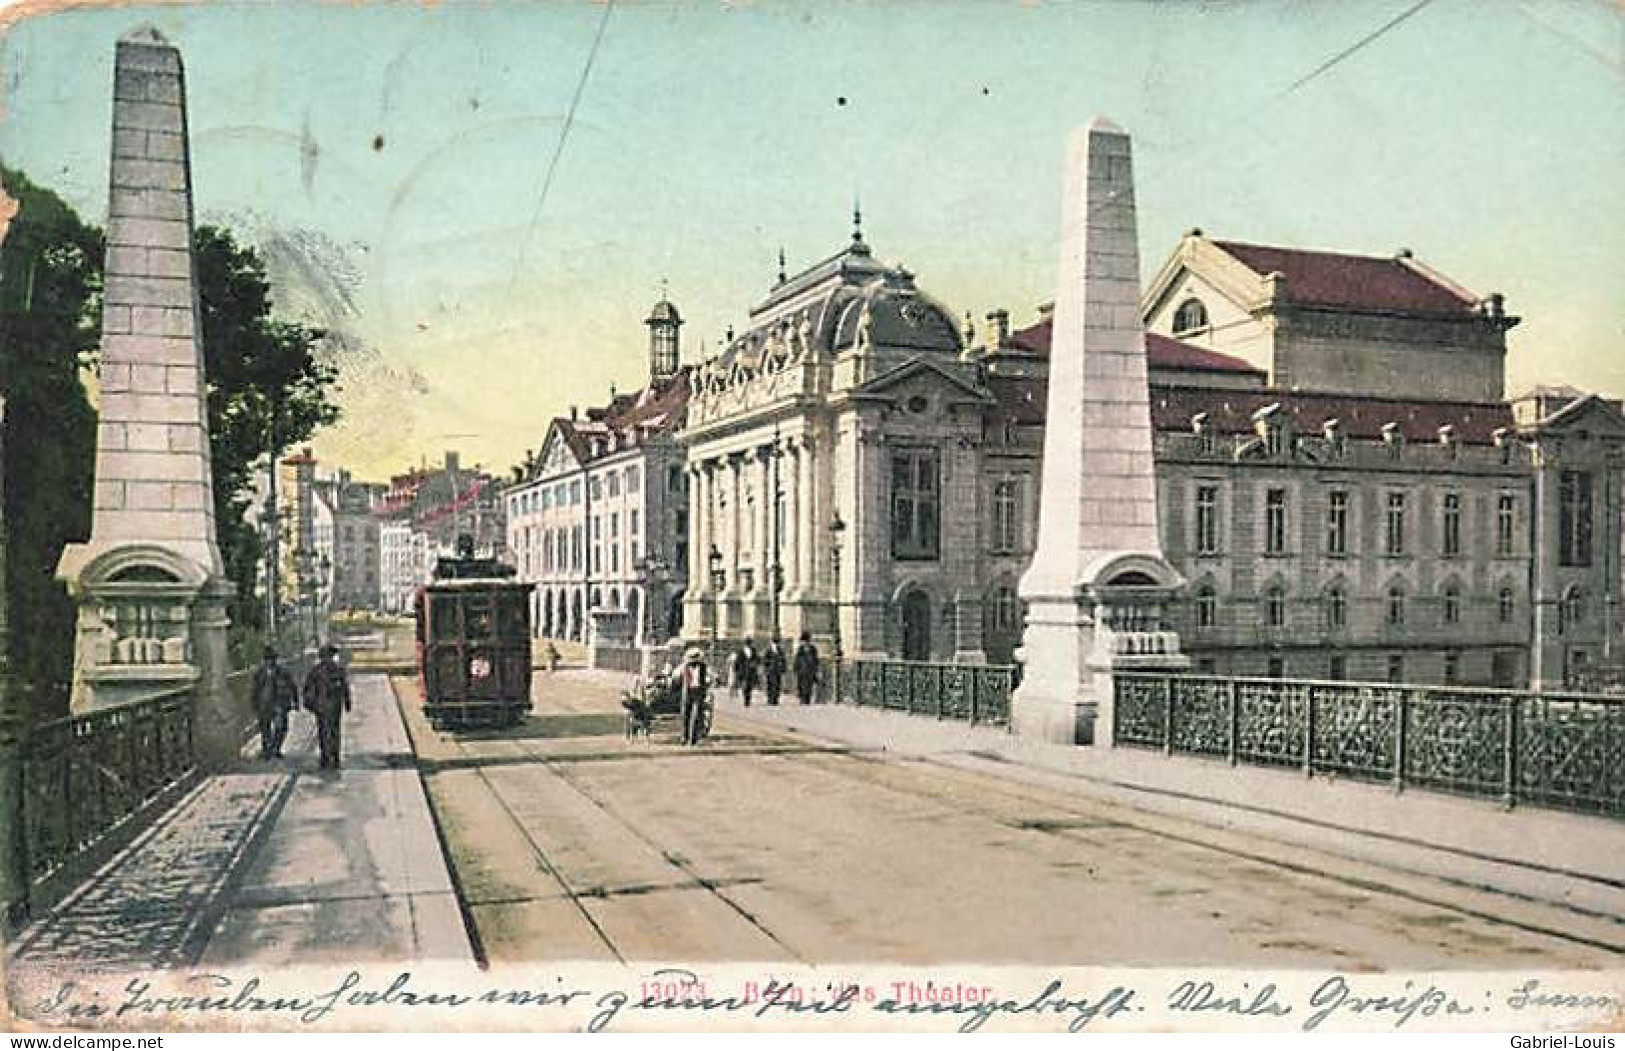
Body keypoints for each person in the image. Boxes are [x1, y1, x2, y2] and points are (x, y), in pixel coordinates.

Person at [303, 643, 353, 770]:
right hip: (323, 706)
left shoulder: (336, 670)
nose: (328, 659)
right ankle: (327, 757)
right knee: (327, 732)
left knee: (331, 731)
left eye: (330, 657)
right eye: (327, 657)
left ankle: (332, 757)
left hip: (332, 706)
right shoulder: (317, 671)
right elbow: (308, 689)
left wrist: (347, 701)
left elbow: (344, 687)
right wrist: (310, 703)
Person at [251, 646, 298, 759]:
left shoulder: (282, 671)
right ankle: (268, 750)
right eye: (268, 659)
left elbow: (292, 686)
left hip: (278, 704)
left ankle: (275, 749)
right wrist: (254, 704)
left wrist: (295, 701)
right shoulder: (259, 673)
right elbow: (255, 689)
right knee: (265, 729)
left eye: (271, 659)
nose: (269, 661)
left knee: (280, 728)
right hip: (265, 705)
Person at [678, 646, 711, 746]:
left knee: (696, 715)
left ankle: (693, 738)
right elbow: (677, 676)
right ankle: (685, 736)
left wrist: (707, 682)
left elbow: (710, 677)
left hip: (698, 693)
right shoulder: (684, 666)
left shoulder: (704, 667)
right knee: (685, 715)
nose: (694, 660)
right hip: (687, 692)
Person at [793, 632, 820, 706]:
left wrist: (816, 669)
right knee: (801, 685)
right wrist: (796, 668)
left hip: (810, 671)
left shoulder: (813, 649)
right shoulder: (800, 649)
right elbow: (797, 659)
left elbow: (816, 660)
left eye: (806, 641)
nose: (805, 643)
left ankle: (807, 699)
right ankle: (802, 699)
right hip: (802, 671)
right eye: (804, 641)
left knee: (809, 686)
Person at [735, 640, 761, 707]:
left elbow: (758, 659)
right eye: (748, 643)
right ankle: (746, 700)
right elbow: (737, 661)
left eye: (750, 643)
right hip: (743, 671)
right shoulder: (741, 651)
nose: (749, 645)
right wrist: (736, 670)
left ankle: (748, 699)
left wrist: (755, 663)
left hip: (751, 671)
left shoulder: (754, 650)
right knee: (745, 686)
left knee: (750, 686)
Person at [763, 638, 786, 706]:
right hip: (770, 670)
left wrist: (783, 668)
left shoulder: (780, 650)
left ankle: (775, 699)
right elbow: (765, 660)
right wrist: (769, 664)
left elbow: (783, 660)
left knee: (777, 684)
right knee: (770, 684)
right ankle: (770, 699)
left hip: (777, 670)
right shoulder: (768, 649)